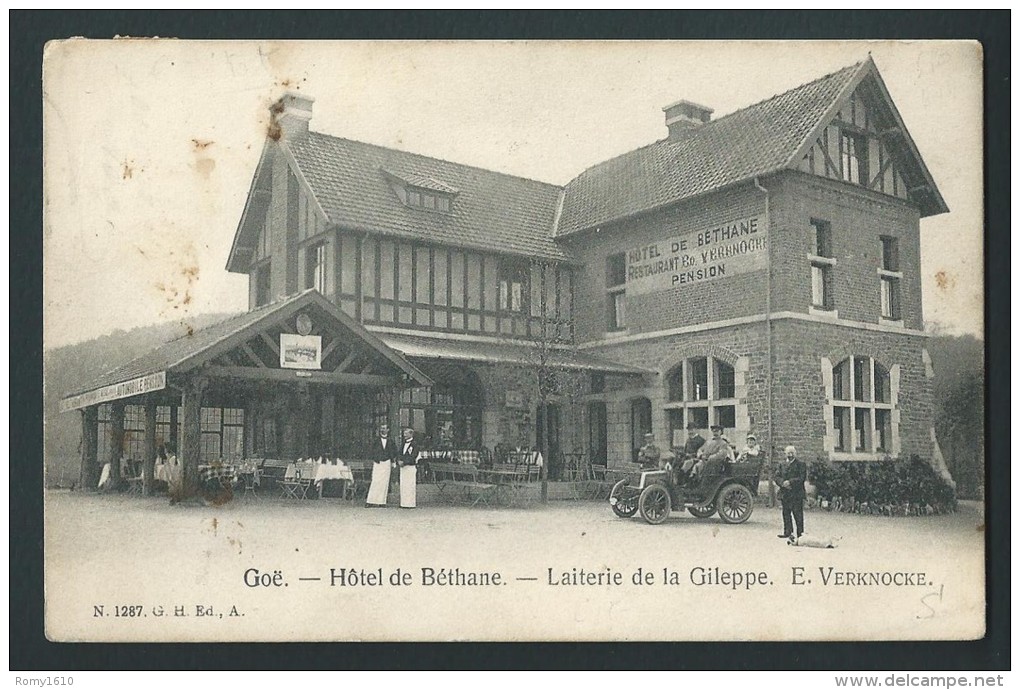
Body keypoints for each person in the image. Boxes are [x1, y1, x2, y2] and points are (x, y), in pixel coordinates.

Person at [365, 422, 399, 508]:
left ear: (388, 430)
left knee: (385, 482)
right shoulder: (375, 440)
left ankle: (382, 501)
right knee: (375, 481)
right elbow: (370, 450)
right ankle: (370, 501)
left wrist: (393, 461)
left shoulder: (391, 441)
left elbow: (394, 451)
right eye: (382, 428)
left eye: (385, 428)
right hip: (378, 462)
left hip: (387, 463)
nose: (383, 430)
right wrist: (375, 458)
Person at [776, 445, 807, 538]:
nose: (790, 455)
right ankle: (787, 532)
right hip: (785, 493)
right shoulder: (781, 465)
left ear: (795, 454)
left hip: (796, 493)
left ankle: (800, 534)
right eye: (788, 453)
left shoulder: (801, 464)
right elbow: (777, 476)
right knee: (786, 513)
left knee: (798, 514)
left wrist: (790, 482)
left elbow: (802, 478)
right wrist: (782, 483)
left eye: (792, 453)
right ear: (785, 454)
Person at [398, 426, 420, 509]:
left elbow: (413, 455)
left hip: (410, 466)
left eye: (406, 434)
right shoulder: (403, 443)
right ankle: (403, 503)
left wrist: (405, 462)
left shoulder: (415, 444)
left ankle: (410, 503)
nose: (404, 435)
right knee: (403, 485)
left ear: (411, 434)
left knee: (410, 485)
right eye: (404, 434)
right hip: (403, 467)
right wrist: (399, 460)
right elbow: (400, 453)